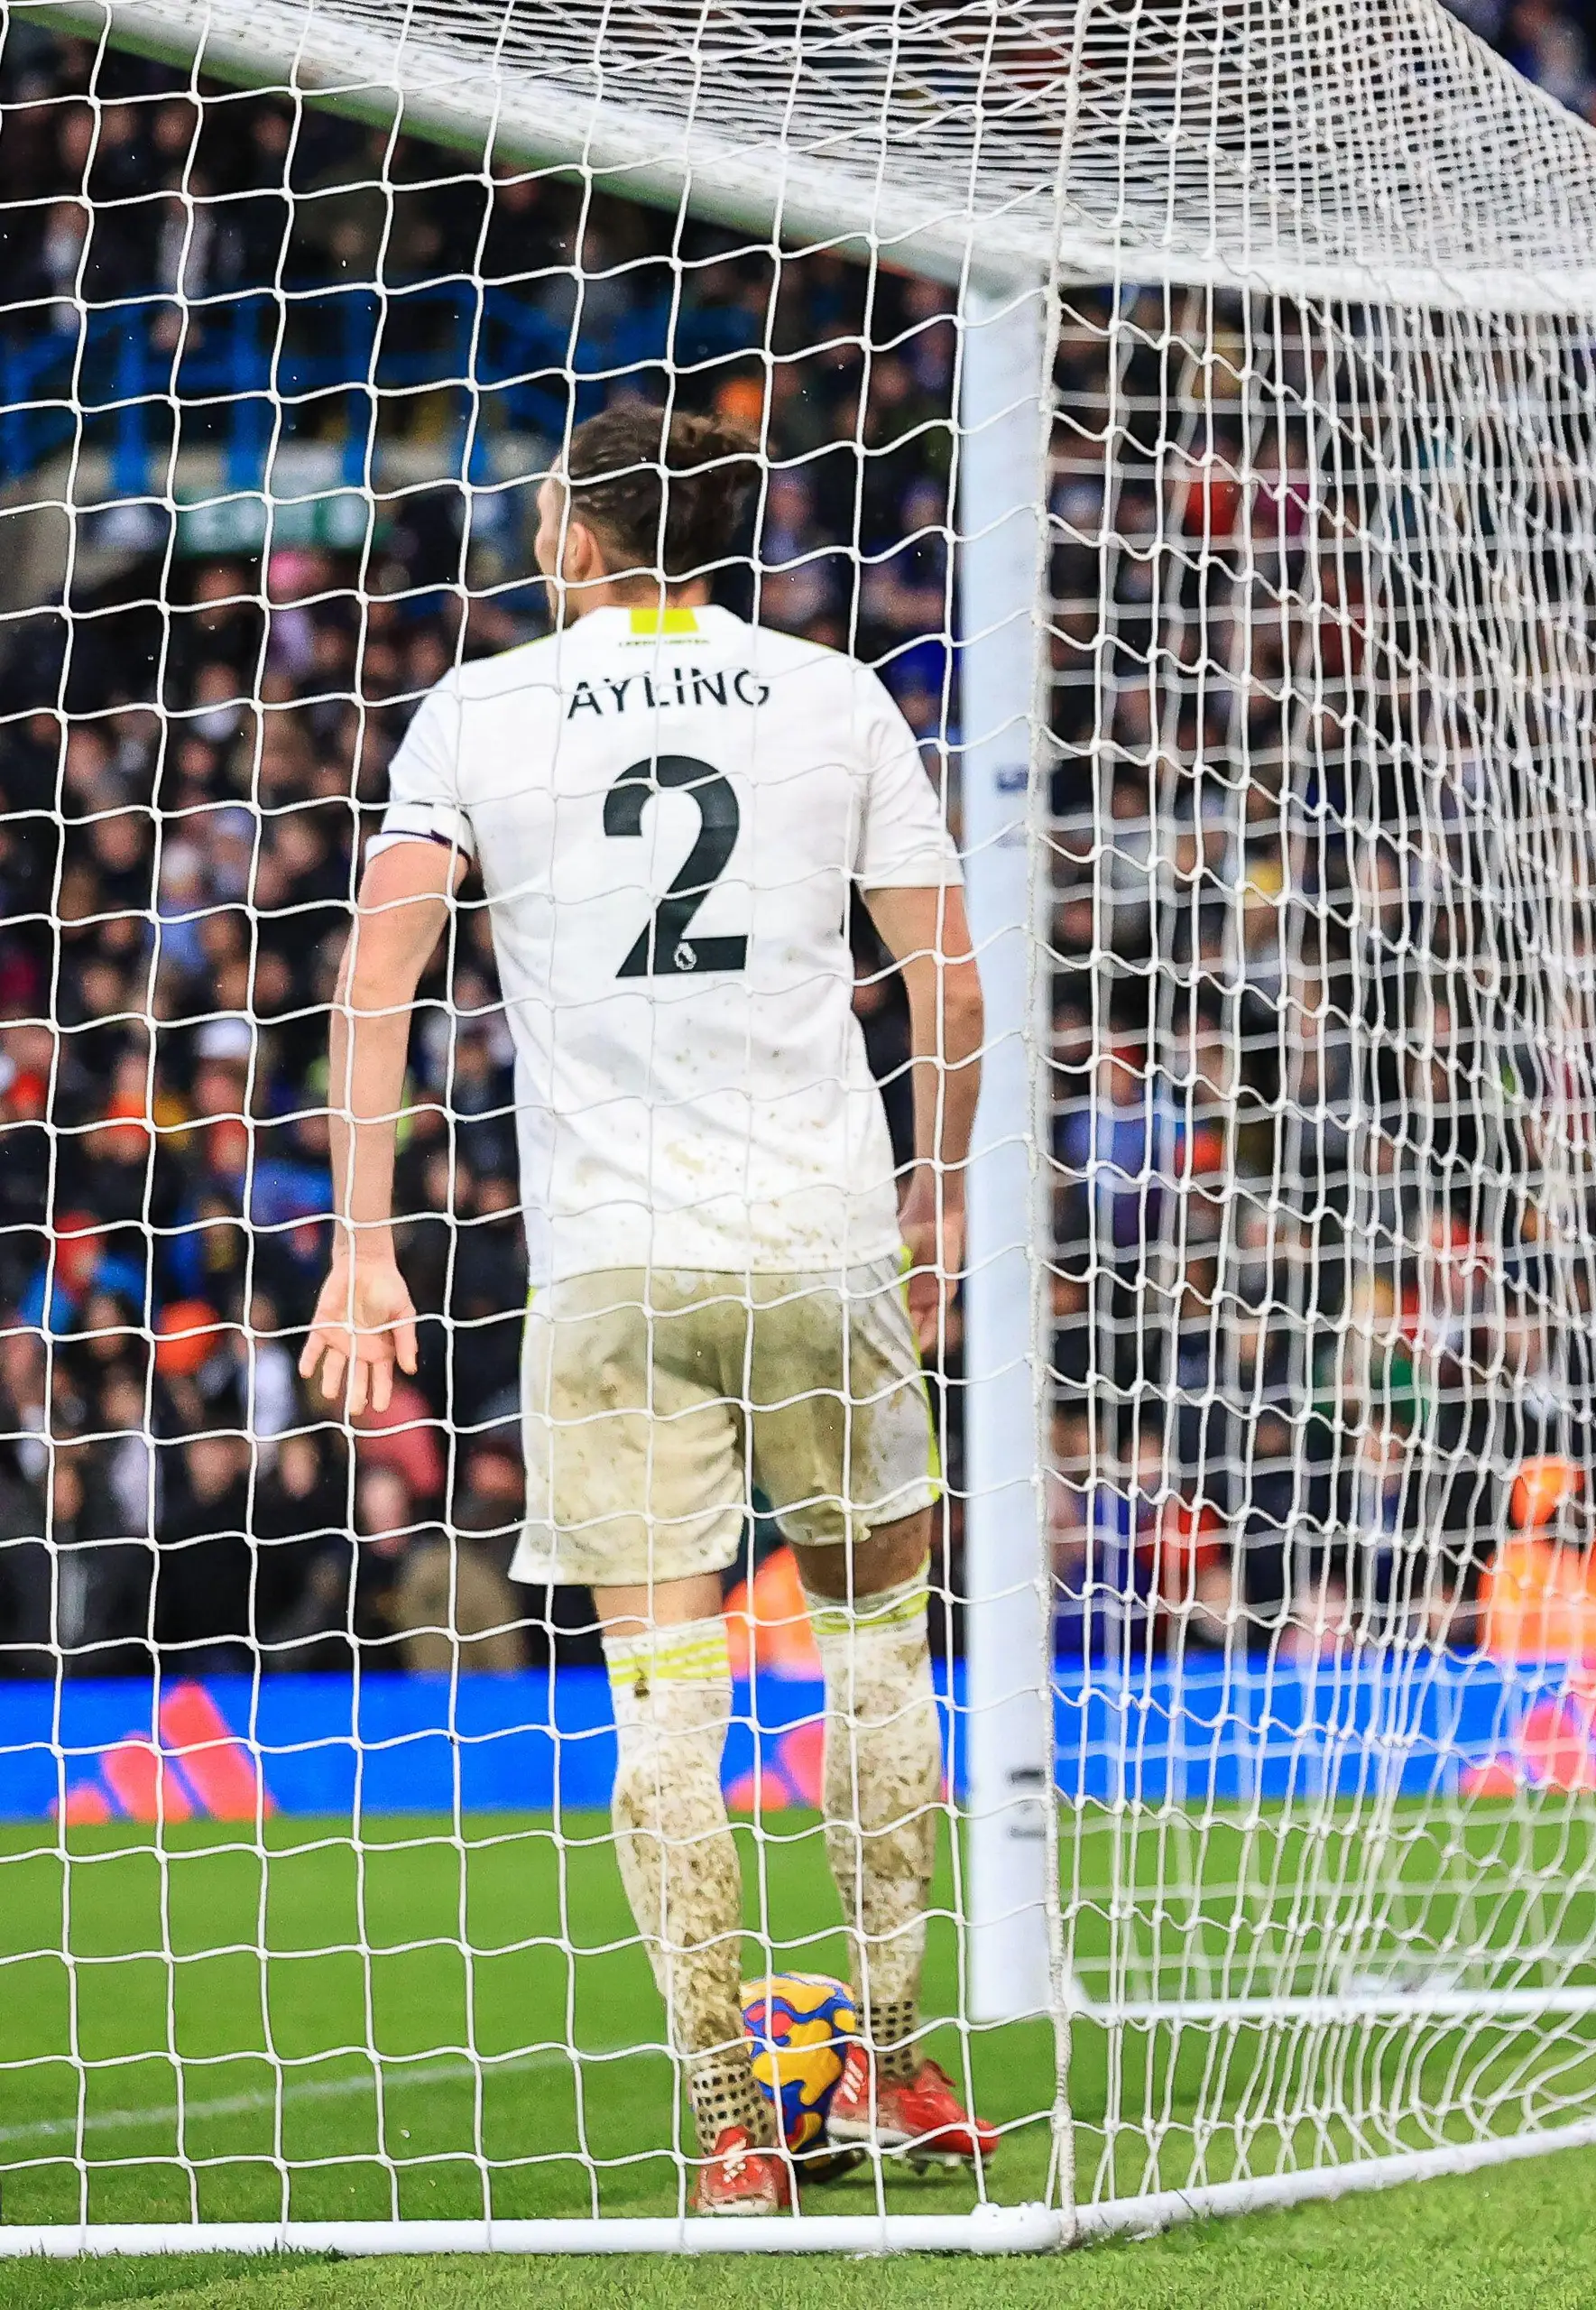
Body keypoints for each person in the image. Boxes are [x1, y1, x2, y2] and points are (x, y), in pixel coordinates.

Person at [300, 400, 999, 2216]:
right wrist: (937, 1204)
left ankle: (726, 2121)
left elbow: (380, 957)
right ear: (732, 533)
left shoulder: (481, 706)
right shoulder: (836, 692)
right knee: (872, 1651)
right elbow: (951, 977)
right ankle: (900, 2055)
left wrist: (362, 1239)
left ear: (576, 538)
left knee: (662, 1698)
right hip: (822, 1238)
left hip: (609, 1264)